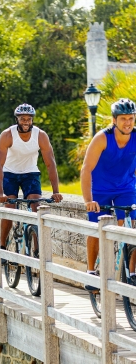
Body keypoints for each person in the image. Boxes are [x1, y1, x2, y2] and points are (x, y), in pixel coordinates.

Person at [81, 98, 136, 290]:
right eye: (123, 119)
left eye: (131, 118)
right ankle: (90, 271)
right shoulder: (102, 138)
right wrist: (89, 200)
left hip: (126, 188)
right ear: (114, 120)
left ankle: (131, 272)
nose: (128, 122)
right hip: (100, 190)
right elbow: (86, 169)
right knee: (96, 228)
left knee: (131, 229)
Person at [0, 103, 63, 255]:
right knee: (9, 208)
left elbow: (50, 164)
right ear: (17, 119)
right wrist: (0, 193)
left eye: (29, 119)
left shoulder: (41, 136)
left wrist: (56, 191)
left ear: (32, 120)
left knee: (36, 205)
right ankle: (2, 244)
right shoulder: (7, 135)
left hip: (30, 173)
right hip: (9, 173)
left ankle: (37, 250)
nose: (26, 122)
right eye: (23, 119)